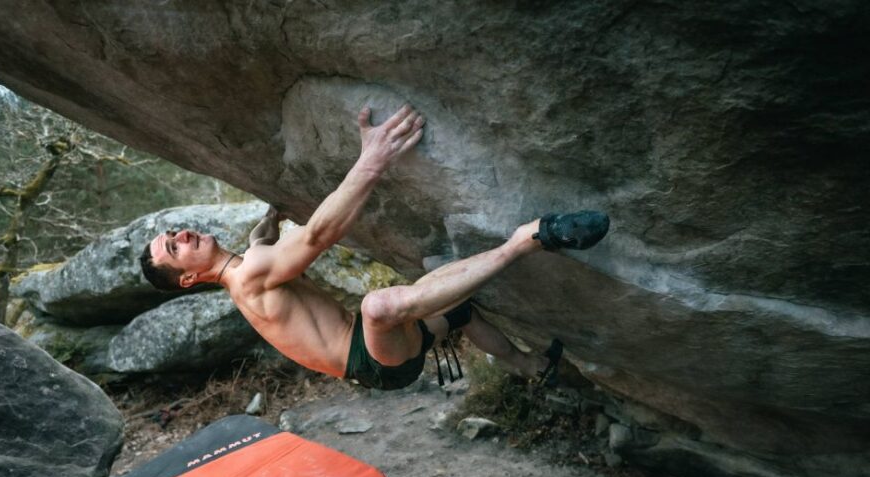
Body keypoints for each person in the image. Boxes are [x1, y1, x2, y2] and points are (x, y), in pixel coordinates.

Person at [140, 104, 609, 390]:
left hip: (380, 358)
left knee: (461, 312)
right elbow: (319, 236)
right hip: (372, 359)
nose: (183, 235)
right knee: (380, 305)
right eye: (174, 248)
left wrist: (271, 214)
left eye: (175, 233)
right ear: (187, 278)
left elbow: (261, 242)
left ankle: (529, 367)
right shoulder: (248, 276)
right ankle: (529, 238)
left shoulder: (246, 268)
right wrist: (372, 159)